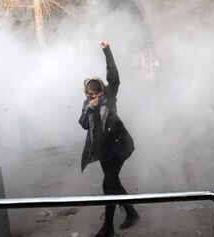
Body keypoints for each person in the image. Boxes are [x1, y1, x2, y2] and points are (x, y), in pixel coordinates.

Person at [79, 41, 139, 237]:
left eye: (93, 95)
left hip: (119, 147)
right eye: (88, 95)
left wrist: (107, 51)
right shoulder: (87, 104)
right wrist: (89, 109)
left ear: (101, 92)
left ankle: (108, 227)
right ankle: (131, 213)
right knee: (113, 183)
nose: (91, 98)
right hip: (103, 150)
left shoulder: (110, 96)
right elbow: (83, 124)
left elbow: (114, 76)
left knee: (108, 183)